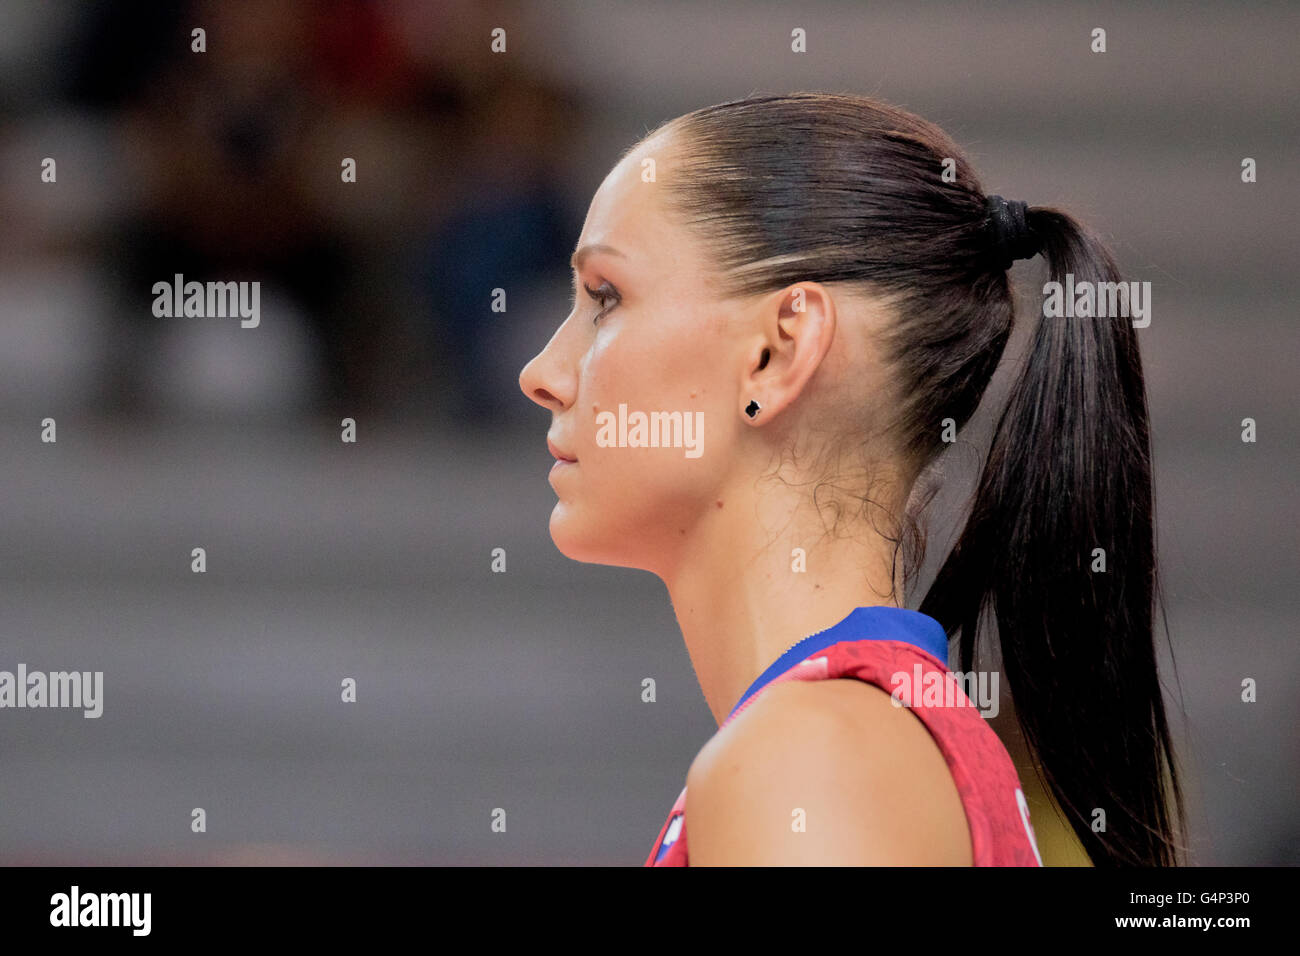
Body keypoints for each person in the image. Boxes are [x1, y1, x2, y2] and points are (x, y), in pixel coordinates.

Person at [518, 92, 1185, 866]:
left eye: (605, 298)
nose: (542, 373)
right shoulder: (846, 743)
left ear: (779, 350)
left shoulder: (811, 761)